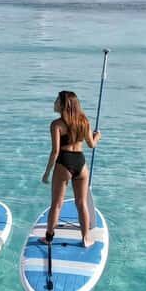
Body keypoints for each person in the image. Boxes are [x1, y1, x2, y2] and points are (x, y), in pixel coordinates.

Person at [40, 90, 102, 247]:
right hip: (81, 163)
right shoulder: (84, 121)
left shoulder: (56, 125)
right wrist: (97, 137)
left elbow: (55, 152)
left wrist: (47, 172)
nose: (54, 102)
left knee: (57, 204)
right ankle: (86, 238)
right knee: (81, 203)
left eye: (56, 100)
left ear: (63, 105)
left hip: (64, 163)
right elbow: (91, 144)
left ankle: (48, 238)